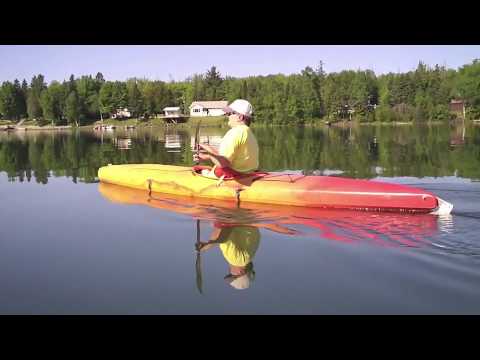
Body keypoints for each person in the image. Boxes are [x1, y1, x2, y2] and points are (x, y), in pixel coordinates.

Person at [193, 99, 259, 179]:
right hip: (248, 175)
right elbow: (230, 157)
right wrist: (208, 156)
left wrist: (209, 150)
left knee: (200, 170)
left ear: (240, 117)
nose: (227, 116)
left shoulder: (235, 132)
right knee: (206, 168)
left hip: (233, 177)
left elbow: (223, 163)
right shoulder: (249, 133)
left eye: (230, 113)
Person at [196, 222, 260, 290]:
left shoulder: (250, 256)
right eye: (232, 275)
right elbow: (222, 230)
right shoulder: (235, 260)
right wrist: (207, 246)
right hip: (236, 218)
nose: (229, 271)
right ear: (241, 272)